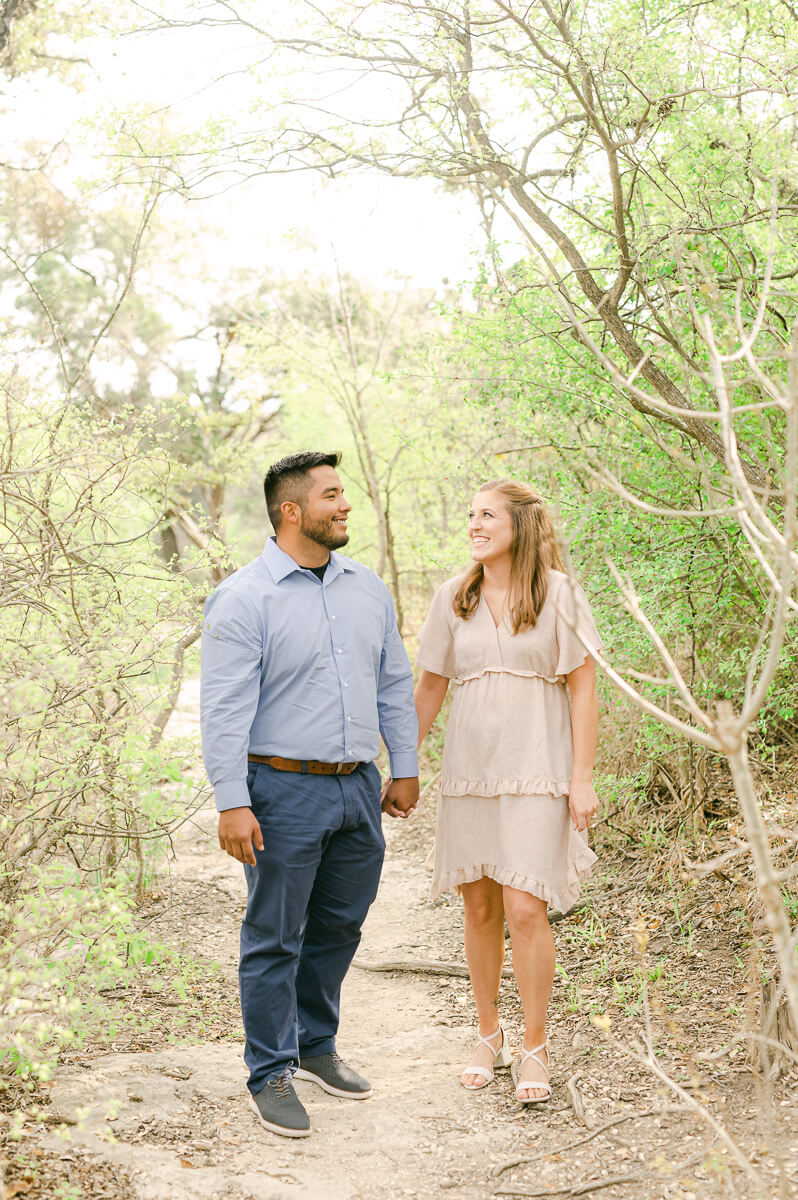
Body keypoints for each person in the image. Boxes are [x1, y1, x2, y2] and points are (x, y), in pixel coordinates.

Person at [200, 450, 419, 1139]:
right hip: (281, 792)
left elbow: (392, 681)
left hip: (357, 790)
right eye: (331, 495)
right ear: (291, 511)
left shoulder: (367, 588)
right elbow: (224, 710)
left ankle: (316, 1045)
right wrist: (232, 800)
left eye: (344, 493)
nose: (345, 504)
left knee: (340, 927)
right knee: (274, 936)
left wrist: (404, 764)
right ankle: (270, 1072)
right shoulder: (243, 598)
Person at [414, 479, 601, 1104]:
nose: (474, 524)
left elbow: (582, 690)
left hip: (536, 767)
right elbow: (431, 688)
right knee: (479, 907)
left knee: (526, 907)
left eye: (487, 515)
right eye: (470, 515)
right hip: (471, 771)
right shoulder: (453, 597)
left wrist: (581, 779)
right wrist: (401, 763)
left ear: (519, 525)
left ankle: (534, 1044)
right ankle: (487, 1034)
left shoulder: (559, 594)